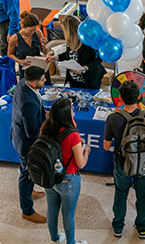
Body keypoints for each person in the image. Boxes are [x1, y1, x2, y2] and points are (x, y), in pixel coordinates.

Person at [103, 79, 145, 239]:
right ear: (139, 97)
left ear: (120, 97)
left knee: (120, 193)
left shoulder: (113, 118)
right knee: (143, 195)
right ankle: (142, 228)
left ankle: (118, 227)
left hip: (122, 163)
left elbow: (106, 147)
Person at [42, 98, 91, 244]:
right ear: (66, 115)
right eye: (71, 110)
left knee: (52, 210)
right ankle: (71, 242)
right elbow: (80, 163)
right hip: (68, 179)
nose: (73, 112)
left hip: (50, 177)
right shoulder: (72, 135)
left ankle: (55, 238)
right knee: (68, 214)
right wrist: (86, 151)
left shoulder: (46, 127)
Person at [10, 65, 47, 223]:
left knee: (26, 170)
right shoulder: (28, 104)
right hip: (27, 143)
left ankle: (30, 190)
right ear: (34, 83)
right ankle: (27, 210)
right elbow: (33, 132)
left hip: (19, 135)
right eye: (43, 80)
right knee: (26, 174)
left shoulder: (22, 82)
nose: (45, 81)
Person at [45, 15, 106, 89]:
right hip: (74, 80)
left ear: (70, 31)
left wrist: (85, 68)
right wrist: (55, 58)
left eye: (64, 30)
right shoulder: (71, 42)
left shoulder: (87, 41)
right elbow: (68, 55)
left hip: (90, 80)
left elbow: (98, 59)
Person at [7, 11, 48, 80]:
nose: (32, 32)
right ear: (23, 27)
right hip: (25, 69)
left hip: (39, 67)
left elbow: (44, 52)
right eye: (30, 30)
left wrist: (44, 45)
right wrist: (19, 61)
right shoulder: (14, 38)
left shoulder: (38, 33)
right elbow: (10, 54)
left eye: (34, 30)